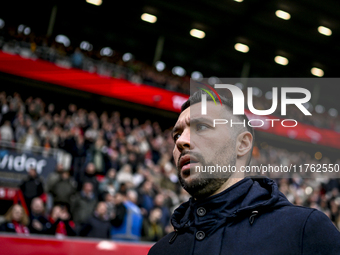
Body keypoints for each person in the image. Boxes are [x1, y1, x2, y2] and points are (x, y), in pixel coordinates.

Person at [148, 91, 340, 255]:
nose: (181, 141)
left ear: (242, 144)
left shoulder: (305, 230)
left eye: (202, 127)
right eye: (177, 135)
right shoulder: (161, 251)